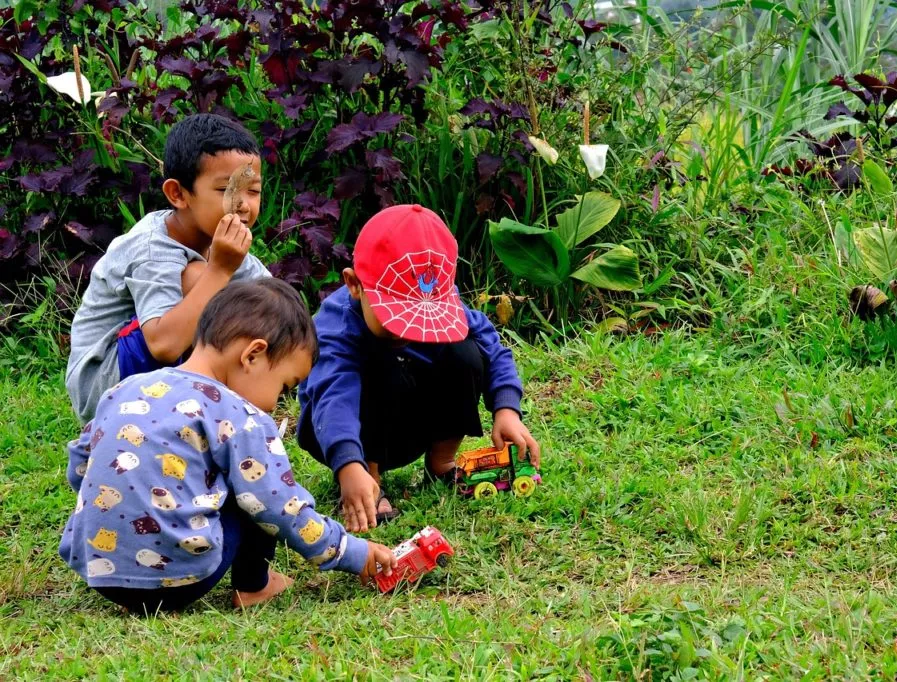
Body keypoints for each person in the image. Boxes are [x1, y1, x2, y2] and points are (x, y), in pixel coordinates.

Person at [59, 279, 395, 614]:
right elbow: (281, 507)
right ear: (253, 355)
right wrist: (351, 551)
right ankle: (254, 587)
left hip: (101, 573)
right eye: (283, 386)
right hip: (180, 582)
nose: (276, 402)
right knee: (258, 489)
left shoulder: (125, 390)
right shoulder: (240, 414)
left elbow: (80, 465)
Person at [297, 204, 541, 532]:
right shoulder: (335, 328)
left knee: (464, 352)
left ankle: (441, 463)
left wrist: (506, 409)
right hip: (341, 430)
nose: (407, 330)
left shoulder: (442, 297)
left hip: (408, 419)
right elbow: (333, 400)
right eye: (396, 316)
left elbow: (492, 349)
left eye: (422, 317)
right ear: (355, 285)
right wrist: (347, 464)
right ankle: (367, 478)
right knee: (378, 361)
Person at [66, 113, 270, 424]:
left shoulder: (222, 246)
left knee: (251, 301)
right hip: (106, 384)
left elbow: (275, 306)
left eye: (252, 191)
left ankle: (219, 419)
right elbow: (164, 345)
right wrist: (219, 271)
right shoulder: (153, 248)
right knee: (199, 279)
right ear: (178, 194)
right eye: (226, 190)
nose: (242, 204)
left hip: (150, 380)